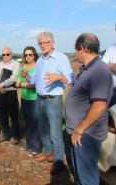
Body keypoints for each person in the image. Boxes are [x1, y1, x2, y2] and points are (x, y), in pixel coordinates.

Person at [20, 32, 74, 174]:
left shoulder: (61, 58)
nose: (43, 45)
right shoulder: (40, 61)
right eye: (40, 43)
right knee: (42, 129)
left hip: (54, 100)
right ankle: (48, 153)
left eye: (45, 42)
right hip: (40, 98)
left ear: (52, 43)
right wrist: (27, 76)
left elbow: (70, 78)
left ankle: (58, 162)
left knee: (55, 133)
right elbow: (34, 80)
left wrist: (59, 77)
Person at [65, 33, 113, 185]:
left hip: (86, 134)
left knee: (87, 178)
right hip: (79, 133)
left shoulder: (99, 71)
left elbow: (99, 105)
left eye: (76, 49)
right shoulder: (87, 69)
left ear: (82, 48)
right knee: (80, 174)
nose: (76, 53)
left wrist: (80, 129)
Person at [16, 46, 42, 156]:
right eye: (26, 55)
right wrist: (22, 85)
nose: (28, 57)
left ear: (34, 55)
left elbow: (35, 84)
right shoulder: (23, 67)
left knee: (35, 123)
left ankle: (36, 147)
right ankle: (29, 144)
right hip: (25, 98)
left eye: (30, 54)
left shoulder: (38, 67)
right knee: (28, 122)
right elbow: (17, 82)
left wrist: (22, 85)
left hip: (35, 99)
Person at [0, 47, 20, 145]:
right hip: (1, 92)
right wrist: (0, 87)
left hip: (11, 92)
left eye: (7, 54)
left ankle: (16, 136)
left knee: (14, 115)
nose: (5, 56)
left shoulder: (16, 64)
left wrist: (2, 85)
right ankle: (6, 135)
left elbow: (14, 78)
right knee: (3, 115)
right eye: (3, 55)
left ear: (11, 54)